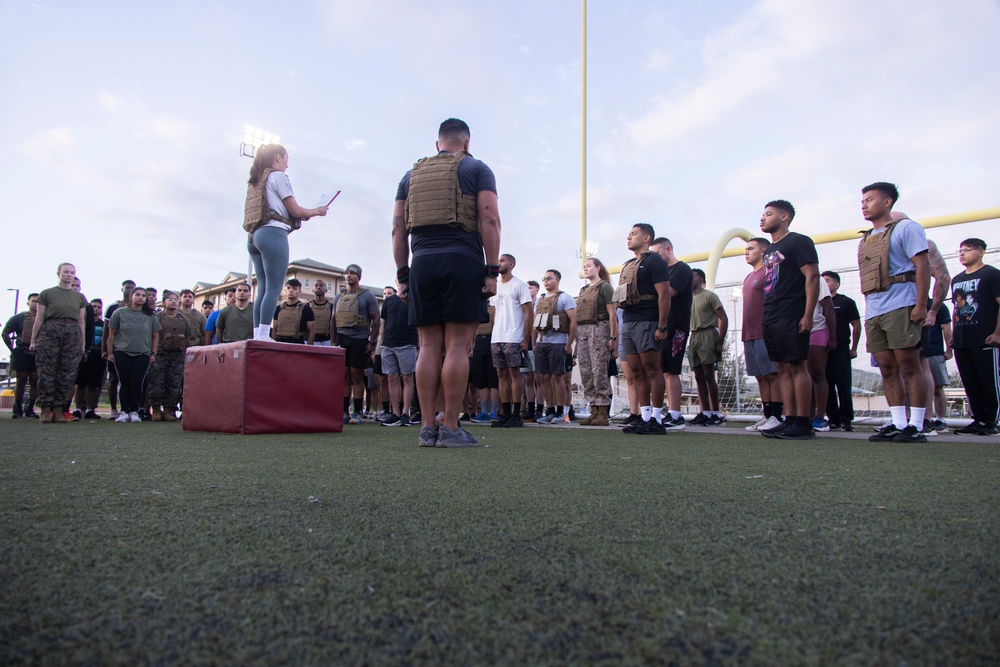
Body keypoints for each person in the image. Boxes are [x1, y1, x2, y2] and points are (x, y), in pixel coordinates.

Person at [391, 118, 501, 448]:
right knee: (456, 346)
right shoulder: (478, 168)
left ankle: (427, 427)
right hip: (462, 260)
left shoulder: (409, 176)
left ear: (437, 144)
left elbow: (398, 228)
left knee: (427, 346)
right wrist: (492, 271)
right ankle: (451, 427)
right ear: (466, 143)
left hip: (422, 262)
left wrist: (402, 274)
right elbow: (490, 219)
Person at [857, 183, 930, 443]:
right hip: (875, 309)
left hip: (902, 302)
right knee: (887, 368)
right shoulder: (865, 238)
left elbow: (923, 267)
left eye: (870, 199)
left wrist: (921, 305)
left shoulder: (907, 228)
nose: (864, 204)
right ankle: (898, 422)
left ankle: (917, 425)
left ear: (887, 202)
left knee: (910, 366)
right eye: (862, 200)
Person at [244, 143, 328, 341]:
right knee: (274, 287)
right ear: (279, 158)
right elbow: (296, 211)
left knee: (263, 287)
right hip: (273, 232)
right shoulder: (278, 176)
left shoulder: (256, 180)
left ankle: (258, 333)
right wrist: (318, 211)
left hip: (254, 236)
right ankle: (264, 334)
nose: (287, 165)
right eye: (287, 159)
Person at [758, 200, 818, 440]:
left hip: (792, 311)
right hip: (771, 313)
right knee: (782, 367)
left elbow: (812, 276)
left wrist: (808, 314)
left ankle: (804, 422)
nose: (762, 218)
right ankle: (789, 418)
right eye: (762, 214)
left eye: (769, 214)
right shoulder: (770, 250)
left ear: (784, 217)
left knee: (796, 365)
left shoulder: (799, 241)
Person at [614, 223, 671, 435]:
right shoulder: (629, 264)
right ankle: (644, 416)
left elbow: (664, 295)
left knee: (652, 369)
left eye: (634, 234)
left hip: (648, 320)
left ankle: (657, 418)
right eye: (628, 233)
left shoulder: (655, 261)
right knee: (636, 371)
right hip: (628, 322)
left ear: (647, 238)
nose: (629, 237)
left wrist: (662, 325)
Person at [949, 238, 1000, 435]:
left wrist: (997, 333)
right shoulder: (957, 280)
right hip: (963, 338)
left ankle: (991, 421)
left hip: (985, 337)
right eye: (960, 250)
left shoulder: (992, 274)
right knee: (970, 382)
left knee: (988, 380)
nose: (962, 254)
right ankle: (978, 419)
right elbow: (955, 309)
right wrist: (954, 334)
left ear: (981, 252)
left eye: (967, 250)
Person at [29, 263, 88, 423]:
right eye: (66, 272)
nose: (69, 275)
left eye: (72, 272)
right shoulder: (47, 294)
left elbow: (81, 321)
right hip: (50, 332)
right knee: (47, 372)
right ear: (58, 273)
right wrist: (33, 339)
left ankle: (58, 410)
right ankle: (45, 410)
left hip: (72, 332)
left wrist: (82, 343)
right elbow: (40, 318)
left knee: (67, 373)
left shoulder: (80, 297)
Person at [649, 237, 693, 430]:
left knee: (672, 369)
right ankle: (666, 412)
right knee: (662, 369)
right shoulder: (663, 272)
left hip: (677, 327)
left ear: (668, 249)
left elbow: (667, 293)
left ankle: (675, 414)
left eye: (658, 254)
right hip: (662, 325)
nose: (656, 259)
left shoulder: (681, 269)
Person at [489, 253, 534, 428]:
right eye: (498, 260)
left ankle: (516, 414)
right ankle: (505, 413)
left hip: (514, 336)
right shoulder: (496, 286)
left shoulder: (519, 285)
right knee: (501, 374)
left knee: (514, 374)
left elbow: (529, 313)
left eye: (502, 260)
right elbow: (494, 312)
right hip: (497, 337)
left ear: (511, 264)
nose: (499, 263)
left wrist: (525, 339)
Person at [332, 264, 380, 425]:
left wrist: (372, 342)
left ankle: (357, 412)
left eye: (352, 273)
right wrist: (333, 341)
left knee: (356, 375)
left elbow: (376, 320)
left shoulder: (368, 296)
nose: (348, 275)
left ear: (359, 276)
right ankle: (345, 411)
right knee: (344, 376)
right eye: (346, 273)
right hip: (342, 338)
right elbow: (333, 320)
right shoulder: (339, 296)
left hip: (359, 339)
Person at [742, 239, 782, 432]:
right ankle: (767, 416)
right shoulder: (749, 277)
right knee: (760, 376)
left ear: (763, 250)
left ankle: (777, 415)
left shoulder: (769, 271)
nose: (746, 252)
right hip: (748, 332)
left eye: (751, 248)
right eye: (745, 249)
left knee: (772, 374)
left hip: (764, 330)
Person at [107, 287, 160, 423]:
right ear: (131, 296)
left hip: (142, 354)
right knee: (124, 383)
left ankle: (134, 411)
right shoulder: (119, 313)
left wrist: (153, 353)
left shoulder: (150, 316)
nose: (141, 297)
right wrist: (110, 353)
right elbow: (111, 335)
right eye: (138, 295)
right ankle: (124, 411)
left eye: (143, 295)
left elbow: (155, 335)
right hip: (122, 352)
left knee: (137, 383)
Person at [575, 257, 616, 427]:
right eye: (584, 266)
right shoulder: (583, 289)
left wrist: (613, 337)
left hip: (599, 328)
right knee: (586, 371)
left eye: (589, 266)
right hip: (583, 330)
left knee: (599, 370)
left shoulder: (605, 287)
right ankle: (593, 409)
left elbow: (613, 314)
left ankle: (603, 412)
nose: (586, 269)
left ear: (598, 268)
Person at [533, 270, 577, 424]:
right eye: (544, 278)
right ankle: (550, 410)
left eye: (549, 278)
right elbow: (534, 324)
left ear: (557, 280)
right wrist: (534, 343)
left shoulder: (565, 298)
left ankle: (560, 411)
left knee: (557, 378)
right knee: (543, 377)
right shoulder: (540, 300)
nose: (546, 281)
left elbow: (573, 321)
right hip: (541, 342)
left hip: (558, 342)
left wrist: (569, 343)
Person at [688, 268, 728, 426]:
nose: (690, 279)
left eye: (693, 277)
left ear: (700, 279)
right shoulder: (688, 299)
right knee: (698, 376)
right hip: (694, 335)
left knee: (709, 375)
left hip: (708, 334)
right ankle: (705, 412)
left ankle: (716, 413)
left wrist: (720, 341)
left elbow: (723, 318)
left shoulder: (710, 296)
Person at [822, 271, 861, 431]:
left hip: (841, 351)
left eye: (828, 280)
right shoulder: (817, 303)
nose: (824, 283)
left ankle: (846, 420)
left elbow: (856, 325)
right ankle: (833, 419)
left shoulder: (846, 302)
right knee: (827, 387)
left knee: (844, 386)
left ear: (836, 284)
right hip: (823, 352)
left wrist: (854, 348)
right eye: (822, 281)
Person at [380, 282, 418, 427]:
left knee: (408, 378)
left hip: (407, 343)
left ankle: (405, 413)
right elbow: (384, 323)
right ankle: (395, 413)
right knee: (391, 377)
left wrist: (419, 346)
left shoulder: (413, 299)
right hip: (388, 345)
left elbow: (419, 324)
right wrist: (381, 344)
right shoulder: (388, 301)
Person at [149, 291, 191, 421]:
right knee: (156, 381)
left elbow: (188, 338)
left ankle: (169, 410)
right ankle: (156, 409)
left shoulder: (183, 319)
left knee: (174, 383)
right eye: (169, 299)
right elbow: (152, 335)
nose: (173, 301)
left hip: (177, 355)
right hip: (160, 354)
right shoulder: (157, 317)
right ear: (163, 303)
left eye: (175, 299)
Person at [806, 271, 837, 432]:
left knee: (817, 373)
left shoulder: (817, 280)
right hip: (796, 332)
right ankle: (807, 416)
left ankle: (820, 416)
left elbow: (828, 308)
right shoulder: (788, 277)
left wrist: (832, 337)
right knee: (804, 375)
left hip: (817, 329)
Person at [2, 293, 40, 418]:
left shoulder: (44, 319)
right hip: (22, 351)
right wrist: (13, 350)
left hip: (37, 353)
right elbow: (5, 333)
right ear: (28, 302)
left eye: (38, 301)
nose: (35, 304)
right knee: (21, 379)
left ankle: (30, 408)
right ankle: (17, 408)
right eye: (33, 301)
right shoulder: (18, 318)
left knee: (35, 379)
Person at [918, 297, 952, 434]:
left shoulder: (938, 307)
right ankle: (921, 418)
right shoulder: (906, 305)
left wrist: (949, 350)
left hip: (935, 351)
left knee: (938, 388)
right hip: (916, 351)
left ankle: (940, 419)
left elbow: (946, 328)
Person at [102, 280, 135, 419]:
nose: (129, 291)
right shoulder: (113, 307)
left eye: (131, 289)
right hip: (115, 348)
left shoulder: (139, 308)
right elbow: (106, 330)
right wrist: (105, 350)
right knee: (114, 378)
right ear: (122, 289)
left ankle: (128, 409)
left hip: (134, 349)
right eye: (127, 288)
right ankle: (113, 409)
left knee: (131, 380)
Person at [73, 297, 106, 419]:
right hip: (85, 353)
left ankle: (89, 409)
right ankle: (77, 409)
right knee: (80, 383)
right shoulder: (84, 323)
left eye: (99, 307)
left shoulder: (103, 324)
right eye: (93, 306)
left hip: (98, 355)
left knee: (94, 384)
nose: (96, 309)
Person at [271, 278, 315, 345]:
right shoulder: (278, 308)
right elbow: (274, 330)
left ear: (300, 291)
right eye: (288, 288)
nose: (291, 290)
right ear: (285, 290)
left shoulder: (306, 309)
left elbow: (311, 331)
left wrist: (308, 349)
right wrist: (273, 346)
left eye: (294, 288)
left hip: (298, 345)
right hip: (279, 344)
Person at [523, 279, 541, 421]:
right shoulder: (522, 306)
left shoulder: (540, 305)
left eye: (530, 287)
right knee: (528, 379)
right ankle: (530, 409)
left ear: (536, 290)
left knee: (539, 379)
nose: (528, 290)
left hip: (538, 345)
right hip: (525, 344)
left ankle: (540, 409)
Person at [309, 279, 334, 346]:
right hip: (310, 341)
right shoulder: (307, 306)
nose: (318, 287)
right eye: (316, 285)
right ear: (313, 289)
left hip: (327, 341)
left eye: (321, 285)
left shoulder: (332, 307)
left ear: (326, 290)